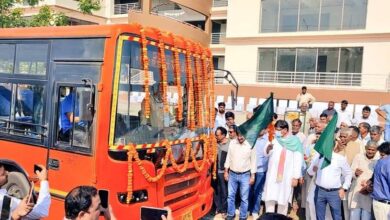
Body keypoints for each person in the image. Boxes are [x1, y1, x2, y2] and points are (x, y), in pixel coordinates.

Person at [262, 120, 303, 216]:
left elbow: (298, 160)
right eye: (275, 129)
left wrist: (295, 177)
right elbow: (266, 153)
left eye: (278, 129)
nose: (276, 131)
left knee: (283, 200)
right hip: (273, 175)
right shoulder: (274, 139)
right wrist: (268, 148)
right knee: (270, 198)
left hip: (286, 177)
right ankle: (269, 217)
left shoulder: (295, 141)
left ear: (285, 130)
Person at [307, 142, 353, 220]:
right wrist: (314, 168)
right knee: (319, 216)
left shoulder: (340, 158)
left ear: (332, 146)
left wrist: (344, 188)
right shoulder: (318, 157)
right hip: (319, 191)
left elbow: (348, 173)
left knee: (336, 216)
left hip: (334, 193)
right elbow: (310, 172)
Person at [224, 127, 256, 220]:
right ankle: (230, 214)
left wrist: (252, 176)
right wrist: (226, 171)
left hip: (245, 175)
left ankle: (242, 216)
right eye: (238, 135)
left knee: (244, 198)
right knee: (230, 196)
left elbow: (253, 161)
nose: (240, 137)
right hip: (232, 174)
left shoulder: (251, 144)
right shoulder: (232, 143)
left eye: (242, 135)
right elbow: (228, 157)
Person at [348, 140, 378, 220]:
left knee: (366, 216)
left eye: (373, 150)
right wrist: (355, 173)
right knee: (354, 216)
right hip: (357, 191)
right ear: (365, 148)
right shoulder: (358, 156)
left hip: (369, 192)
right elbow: (351, 171)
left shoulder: (378, 160)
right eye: (369, 149)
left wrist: (370, 185)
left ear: (376, 150)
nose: (370, 151)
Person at [249, 129, 269, 219]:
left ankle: (255, 210)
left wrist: (257, 165)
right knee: (248, 190)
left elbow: (267, 156)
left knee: (258, 191)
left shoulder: (268, 140)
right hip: (250, 169)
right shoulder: (251, 138)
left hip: (261, 170)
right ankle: (248, 209)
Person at [370, 142, 390, 220]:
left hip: (381, 204)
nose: (381, 157)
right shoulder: (384, 162)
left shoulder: (382, 162)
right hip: (383, 204)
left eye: (382, 155)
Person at [214, 127, 230, 217]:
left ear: (223, 135)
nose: (216, 136)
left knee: (224, 192)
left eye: (218, 135)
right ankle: (218, 208)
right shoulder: (215, 143)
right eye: (215, 135)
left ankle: (224, 210)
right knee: (217, 191)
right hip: (215, 171)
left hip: (224, 171)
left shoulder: (230, 144)